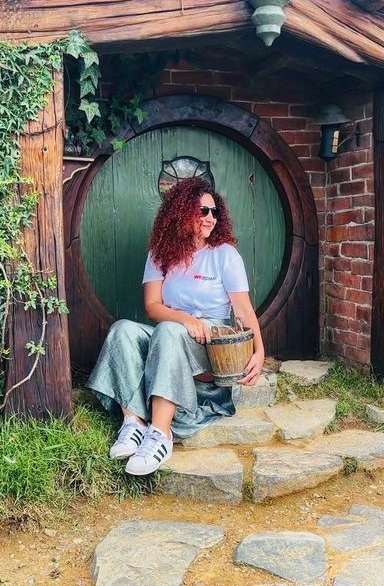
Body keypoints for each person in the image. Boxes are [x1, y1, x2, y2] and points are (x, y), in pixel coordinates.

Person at [86, 177, 265, 475]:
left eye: (214, 211)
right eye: (202, 211)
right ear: (181, 212)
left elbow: (243, 309)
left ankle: (160, 434)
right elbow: (152, 306)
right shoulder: (160, 254)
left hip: (210, 341)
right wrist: (186, 320)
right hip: (174, 329)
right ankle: (134, 424)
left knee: (168, 332)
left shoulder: (224, 255)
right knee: (123, 330)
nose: (210, 218)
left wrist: (259, 351)